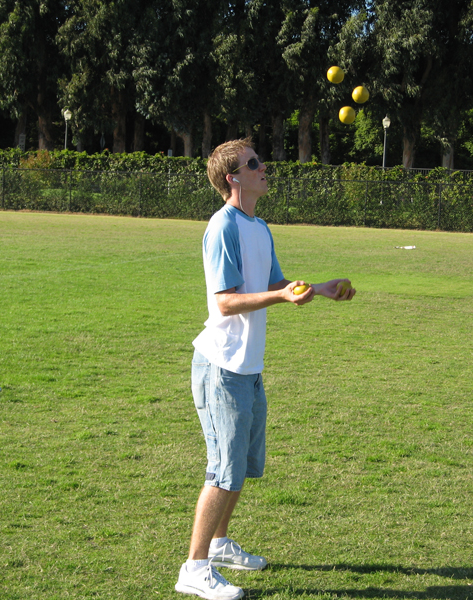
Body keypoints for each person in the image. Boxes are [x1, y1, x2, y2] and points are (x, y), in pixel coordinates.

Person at [175, 138, 355, 600]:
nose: (263, 167)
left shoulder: (260, 227)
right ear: (233, 178)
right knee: (222, 469)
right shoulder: (223, 228)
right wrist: (279, 296)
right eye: (253, 164)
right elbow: (225, 301)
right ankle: (193, 569)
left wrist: (321, 288)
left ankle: (218, 545)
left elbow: (275, 284)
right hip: (221, 368)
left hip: (248, 369)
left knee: (243, 466)